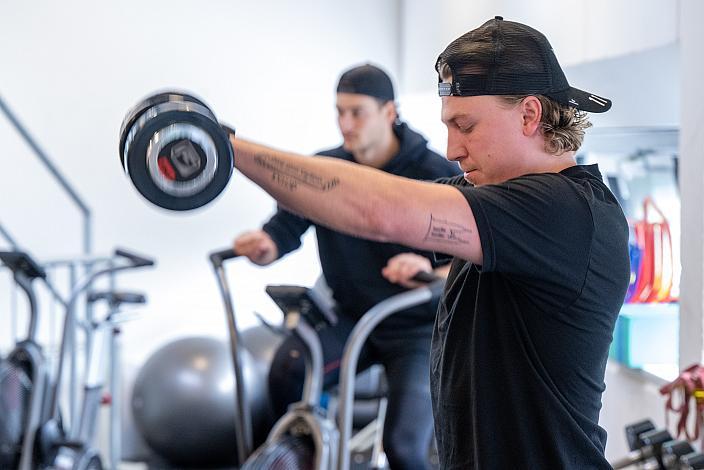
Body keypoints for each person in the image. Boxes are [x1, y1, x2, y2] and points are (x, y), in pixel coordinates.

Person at [229, 17, 629, 469]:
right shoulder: (495, 197)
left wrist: (229, 148)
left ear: (529, 114)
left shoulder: (563, 210)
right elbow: (359, 199)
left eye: (466, 125)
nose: (453, 147)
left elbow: (377, 209)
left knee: (403, 443)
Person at [233, 63, 461, 468]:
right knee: (287, 372)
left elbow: (466, 266)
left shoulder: (436, 174)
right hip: (352, 318)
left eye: (357, 112)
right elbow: (284, 227)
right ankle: (291, 457)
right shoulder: (326, 171)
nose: (345, 123)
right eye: (339, 112)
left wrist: (427, 271)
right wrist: (265, 246)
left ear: (389, 112)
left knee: (404, 447)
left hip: (417, 328)